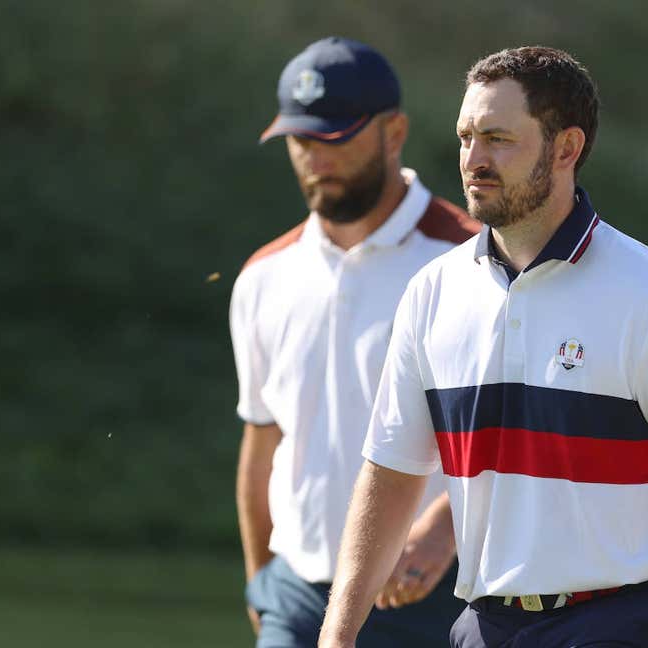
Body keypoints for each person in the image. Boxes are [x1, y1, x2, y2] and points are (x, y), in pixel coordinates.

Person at [318, 46, 648, 648]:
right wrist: (336, 637)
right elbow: (391, 477)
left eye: (498, 138)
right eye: (466, 135)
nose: (474, 159)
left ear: (566, 149)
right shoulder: (431, 294)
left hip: (629, 623)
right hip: (485, 625)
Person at [230, 36, 478, 648]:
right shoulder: (263, 277)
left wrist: (444, 529)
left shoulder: (475, 264)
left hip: (432, 596)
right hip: (298, 594)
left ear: (394, 132)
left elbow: (521, 433)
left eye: (334, 136)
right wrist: (262, 582)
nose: (315, 156)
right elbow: (263, 443)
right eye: (299, 138)